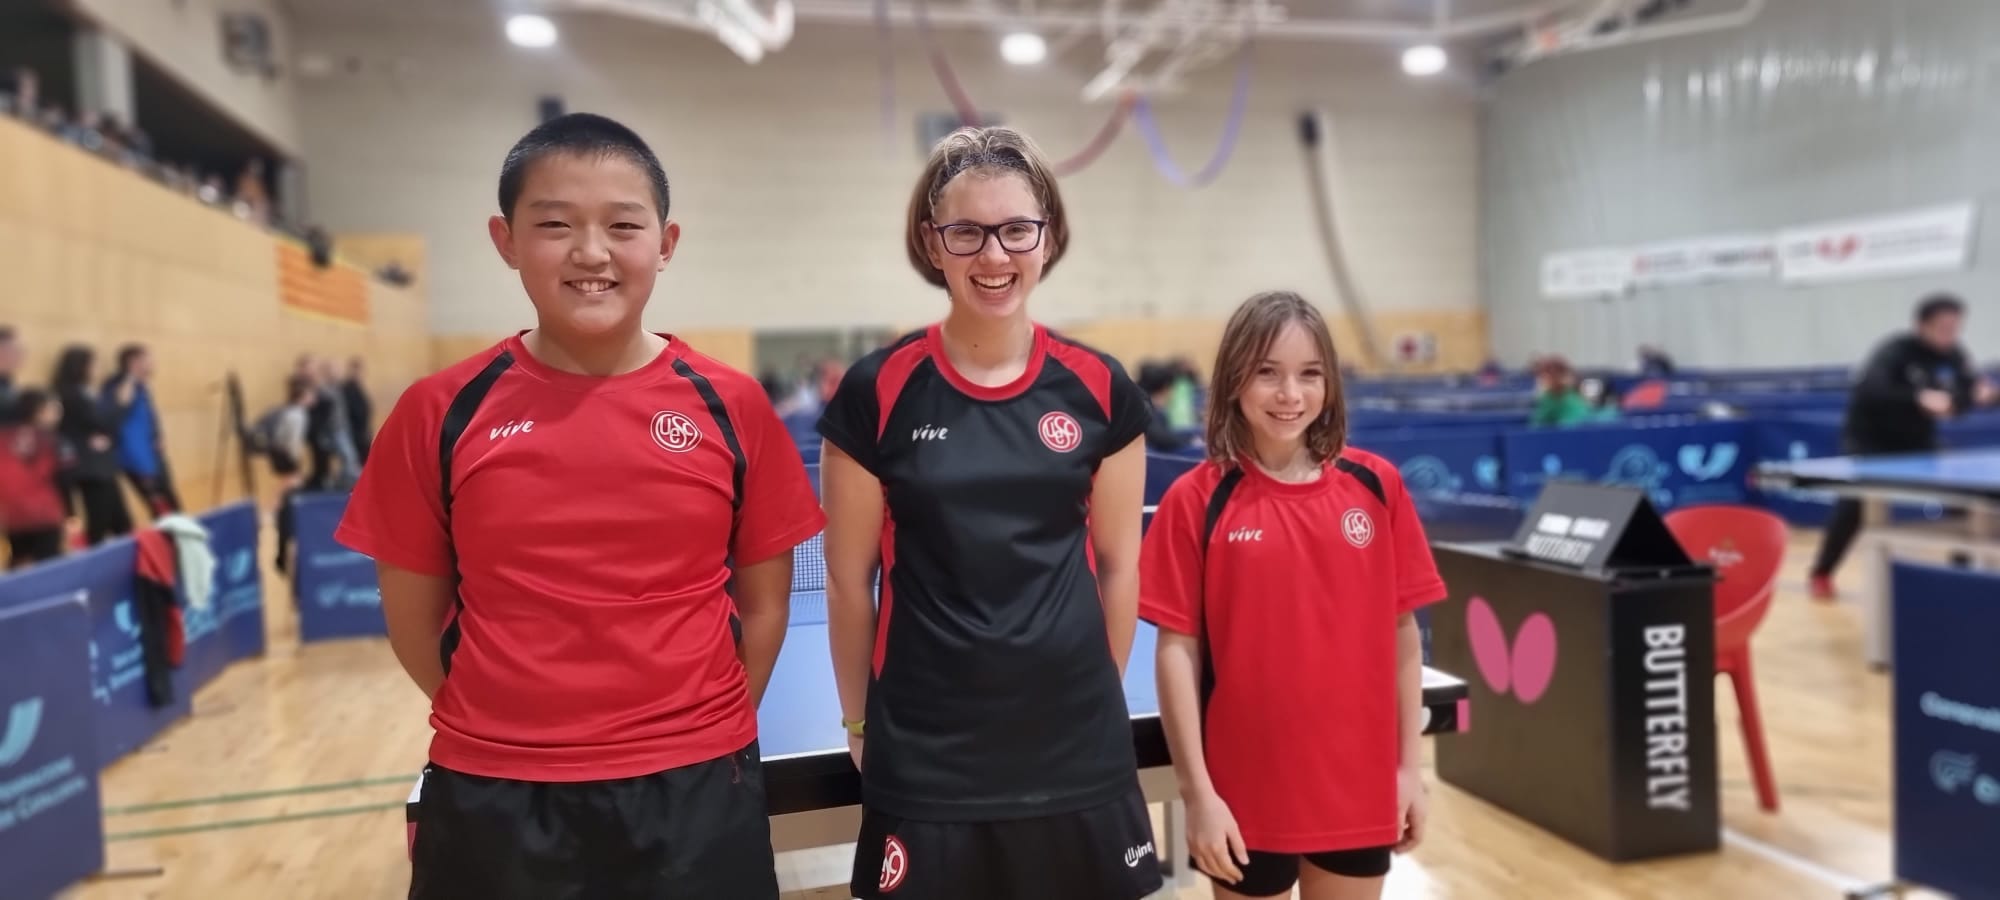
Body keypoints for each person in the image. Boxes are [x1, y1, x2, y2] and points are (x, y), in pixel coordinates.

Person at [332, 112, 824, 899]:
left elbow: (764, 606)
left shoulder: (732, 404)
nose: (591, 253)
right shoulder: (439, 410)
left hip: (697, 788)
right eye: (555, 225)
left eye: (623, 225)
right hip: (496, 793)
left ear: (665, 243)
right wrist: (514, 725)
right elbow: (414, 623)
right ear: (506, 240)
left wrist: (701, 728)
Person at [816, 125, 1160, 900]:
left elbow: (1117, 566)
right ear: (932, 244)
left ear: (1047, 239)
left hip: (1077, 744)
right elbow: (846, 583)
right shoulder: (878, 393)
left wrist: (1092, 697)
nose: (994, 256)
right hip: (929, 747)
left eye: (1016, 230)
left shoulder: (1100, 389)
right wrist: (860, 723)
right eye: (967, 232)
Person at [1139, 291, 1444, 900]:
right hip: (1244, 792)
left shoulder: (1376, 486)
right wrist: (1198, 795)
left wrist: (1409, 771)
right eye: (1267, 373)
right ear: (1233, 380)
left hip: (1357, 787)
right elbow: (1177, 653)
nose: (1290, 395)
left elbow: (1402, 634)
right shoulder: (1196, 501)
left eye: (1310, 375)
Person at [1808, 293, 1997, 599]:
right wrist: (1917, 398)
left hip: (1917, 441)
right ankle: (1821, 573)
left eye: (1955, 328)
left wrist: (1983, 397)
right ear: (1922, 325)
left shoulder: (1955, 356)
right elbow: (1871, 389)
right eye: (1943, 327)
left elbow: (1961, 400)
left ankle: (1962, 573)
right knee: (1855, 504)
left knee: (1965, 498)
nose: (1950, 334)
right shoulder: (1895, 351)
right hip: (1871, 438)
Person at [51, 344, 131, 545]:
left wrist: (104, 435)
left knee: (121, 522)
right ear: (81, 367)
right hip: (90, 469)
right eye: (94, 364)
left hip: (101, 466)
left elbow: (101, 427)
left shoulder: (85, 393)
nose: (98, 369)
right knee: (100, 523)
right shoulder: (72, 395)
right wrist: (120, 403)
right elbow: (101, 422)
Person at [101, 343, 181, 516]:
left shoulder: (142, 387)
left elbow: (150, 416)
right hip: (135, 458)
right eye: (147, 359)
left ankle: (181, 540)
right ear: (133, 361)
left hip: (153, 454)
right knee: (159, 506)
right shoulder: (117, 385)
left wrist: (157, 435)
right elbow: (114, 413)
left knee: (172, 503)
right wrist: (129, 378)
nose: (152, 363)